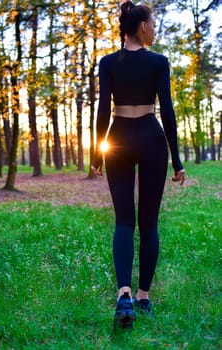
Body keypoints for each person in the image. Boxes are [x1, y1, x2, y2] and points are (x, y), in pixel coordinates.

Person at [92, 1, 185, 329]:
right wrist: (177, 161)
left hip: (117, 140)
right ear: (142, 26)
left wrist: (95, 154)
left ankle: (125, 294)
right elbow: (168, 112)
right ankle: (144, 297)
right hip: (151, 138)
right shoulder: (159, 62)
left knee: (122, 222)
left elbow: (103, 110)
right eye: (153, 22)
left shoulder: (107, 63)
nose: (155, 28)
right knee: (148, 222)